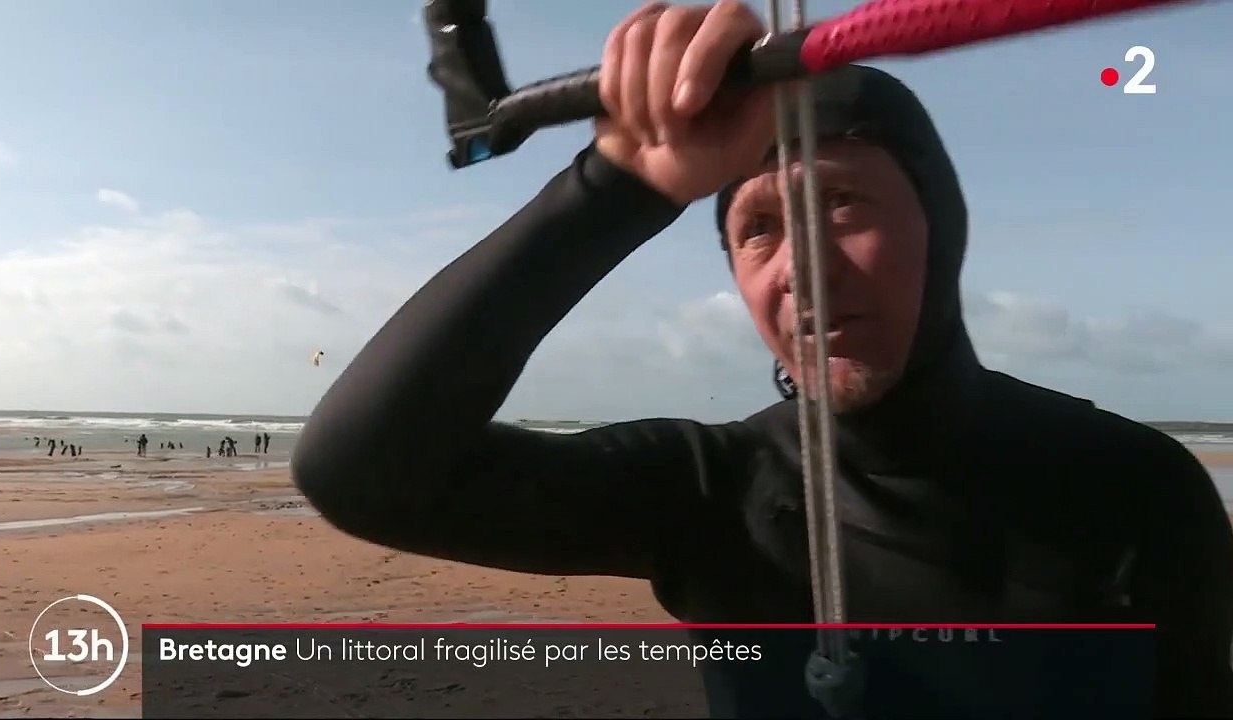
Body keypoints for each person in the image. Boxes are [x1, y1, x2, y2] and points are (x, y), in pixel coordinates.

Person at [291, 2, 1233, 717]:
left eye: (843, 205)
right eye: (757, 231)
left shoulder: (1133, 489)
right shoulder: (716, 493)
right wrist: (618, 186)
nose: (802, 268)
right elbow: (361, 472)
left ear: (940, 231)